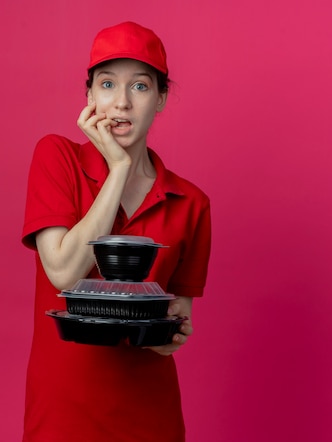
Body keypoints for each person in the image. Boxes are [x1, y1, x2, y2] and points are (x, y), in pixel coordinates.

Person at [21, 21, 211, 442]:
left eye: (140, 87)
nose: (121, 103)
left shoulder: (190, 202)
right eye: (107, 84)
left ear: (161, 98)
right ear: (89, 95)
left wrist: (172, 335)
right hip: (63, 416)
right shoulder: (57, 158)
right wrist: (119, 169)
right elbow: (64, 274)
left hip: (150, 417)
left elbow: (174, 326)